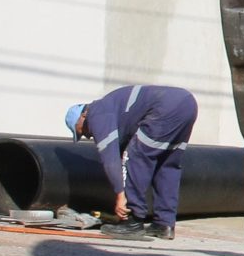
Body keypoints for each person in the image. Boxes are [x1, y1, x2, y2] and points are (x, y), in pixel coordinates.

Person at [65, 84, 199, 239]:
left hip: (165, 107)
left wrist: (120, 195)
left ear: (83, 116)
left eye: (82, 130)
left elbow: (111, 159)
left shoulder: (97, 113)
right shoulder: (112, 107)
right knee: (166, 165)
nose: (87, 136)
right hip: (187, 104)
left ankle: (133, 221)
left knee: (135, 157)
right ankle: (164, 224)